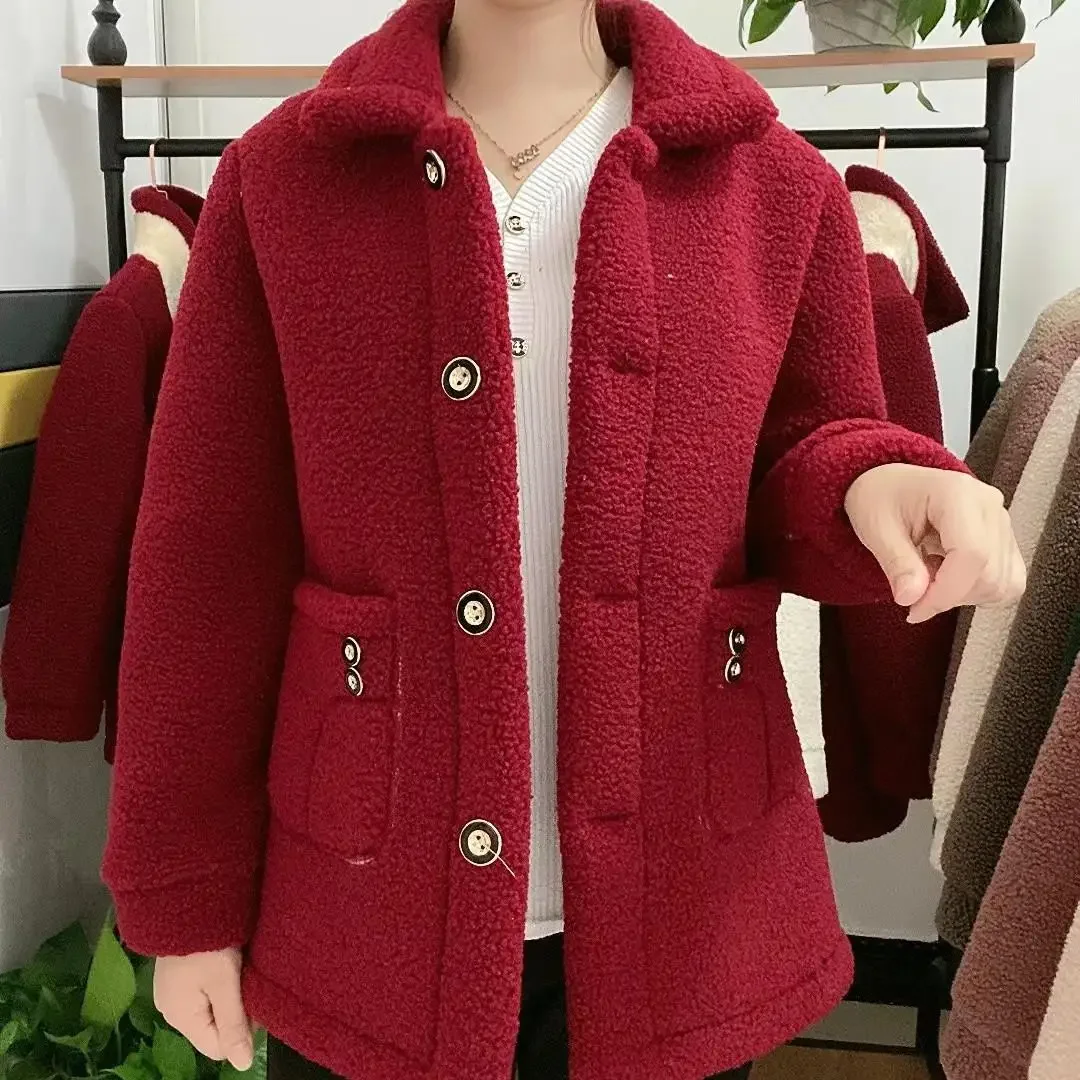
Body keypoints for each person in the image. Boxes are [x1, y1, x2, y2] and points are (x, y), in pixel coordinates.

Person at [99, 0, 1026, 1078]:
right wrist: (184, 898)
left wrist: (875, 477)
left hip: (683, 905)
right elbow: (205, 562)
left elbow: (806, 452)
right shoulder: (284, 182)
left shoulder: (774, 186)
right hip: (369, 904)